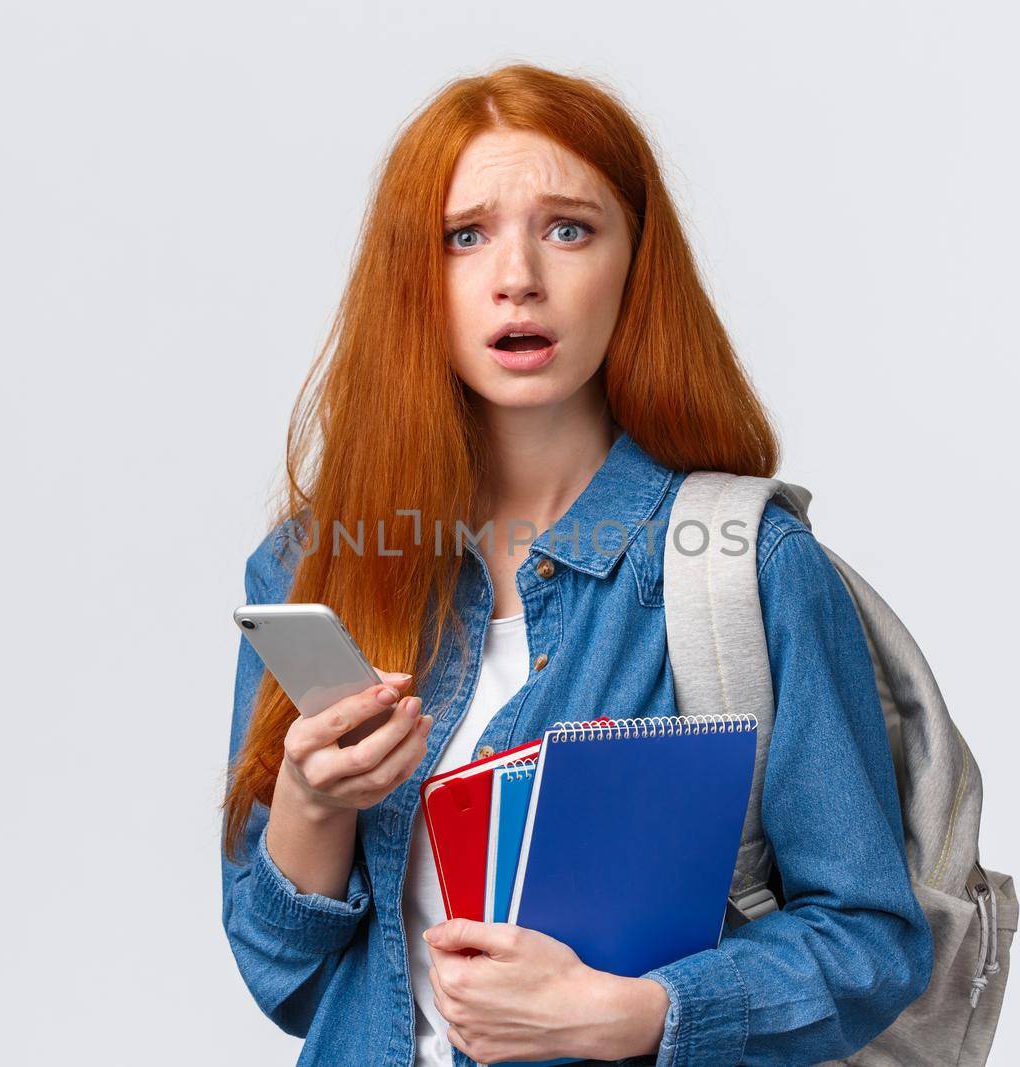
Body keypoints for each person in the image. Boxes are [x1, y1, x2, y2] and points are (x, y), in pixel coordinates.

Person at [220, 64, 933, 1067]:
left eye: (568, 228)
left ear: (635, 264)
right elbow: (283, 979)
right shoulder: (315, 566)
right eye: (463, 235)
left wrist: (636, 1013)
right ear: (410, 277)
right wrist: (312, 800)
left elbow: (870, 941)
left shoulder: (747, 564)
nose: (517, 275)